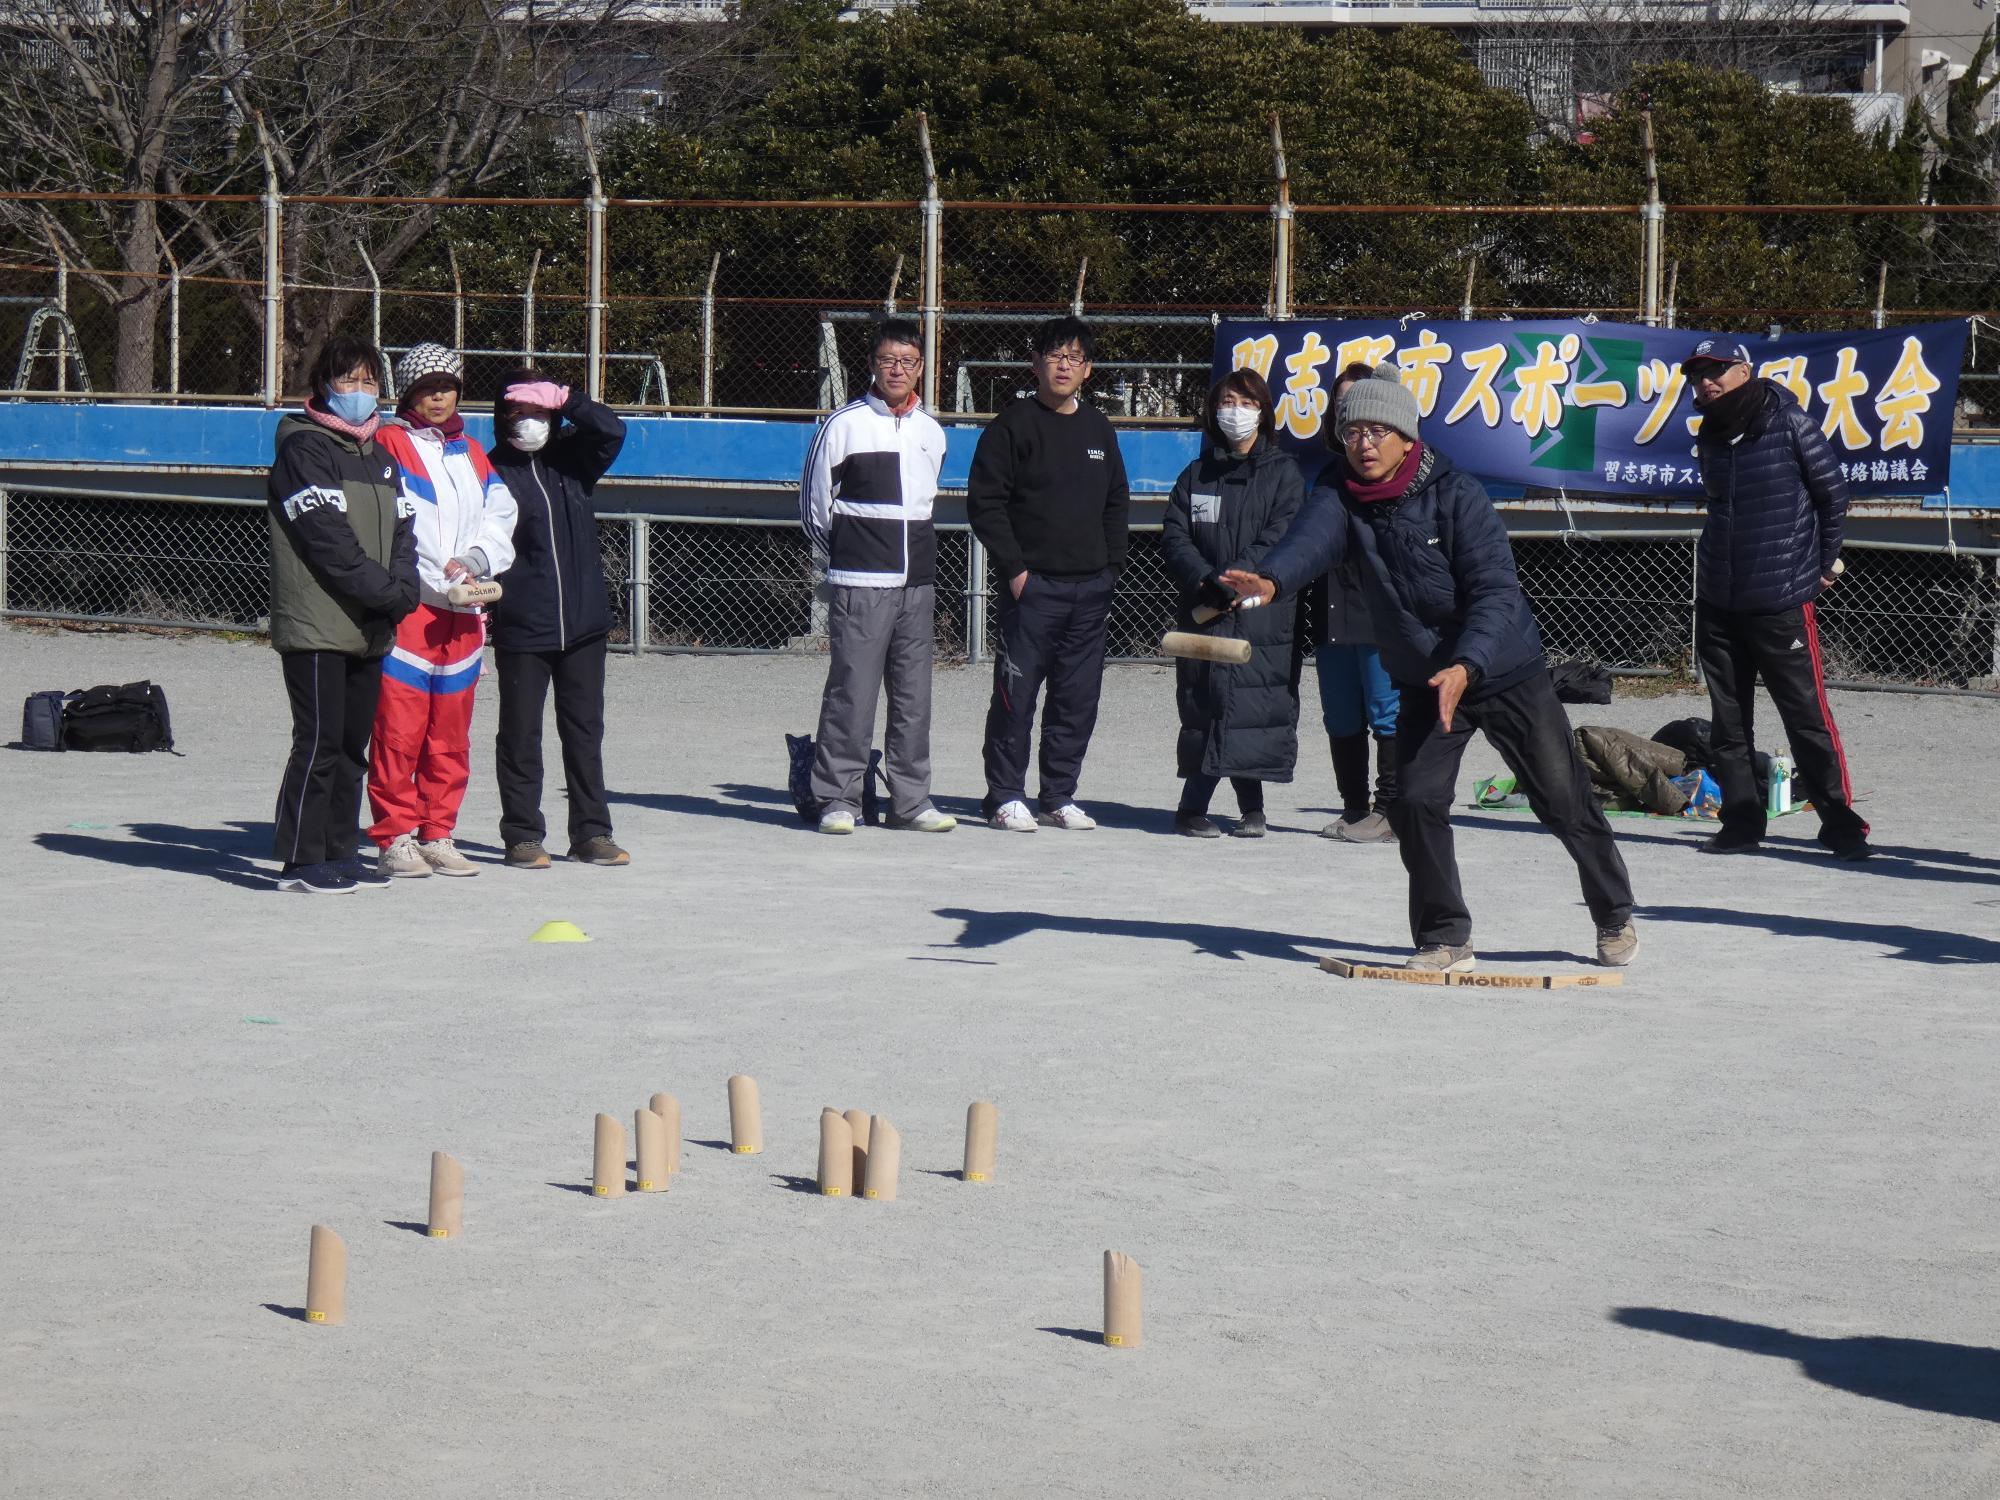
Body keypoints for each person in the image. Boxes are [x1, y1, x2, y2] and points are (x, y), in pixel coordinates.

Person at [1222, 364, 1638, 972]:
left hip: (1502, 668)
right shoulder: (1339, 492)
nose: (1363, 444)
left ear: (1405, 436)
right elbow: (1308, 541)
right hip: (1422, 674)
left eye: (1376, 431)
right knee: (1415, 803)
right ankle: (1445, 935)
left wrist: (1467, 663)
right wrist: (1272, 577)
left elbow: (1496, 591)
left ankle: (1614, 913)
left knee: (1563, 800)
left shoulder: (1456, 494)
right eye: (1352, 431)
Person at [1683, 338, 1871, 860]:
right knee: (1728, 720)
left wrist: (1823, 566)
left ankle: (1841, 825)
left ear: (1745, 370)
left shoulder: (1790, 422)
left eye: (1717, 370)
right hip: (1719, 598)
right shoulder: (1710, 433)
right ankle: (1742, 822)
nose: (1706, 381)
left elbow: (1832, 496)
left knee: (1806, 716)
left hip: (1782, 598)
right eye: (1698, 374)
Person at [266, 335, 419, 894]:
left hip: (370, 623)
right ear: (324, 386)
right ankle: (301, 860)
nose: (360, 392)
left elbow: (404, 528)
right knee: (320, 740)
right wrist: (386, 591)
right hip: (318, 622)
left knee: (354, 745)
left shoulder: (378, 452)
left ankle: (338, 848)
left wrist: (404, 586)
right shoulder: (303, 449)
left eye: (369, 381)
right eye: (348, 380)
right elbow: (326, 540)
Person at [967, 315, 1131, 832]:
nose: (1064, 366)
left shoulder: (1099, 428)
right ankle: (1005, 796)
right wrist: (1015, 570)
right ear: (1035, 363)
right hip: (1032, 589)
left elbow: (1115, 501)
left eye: (1075, 358)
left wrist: (1111, 568)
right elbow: (986, 503)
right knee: (1016, 696)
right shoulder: (1012, 425)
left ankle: (1058, 795)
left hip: (1090, 589)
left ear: (1089, 369)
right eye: (1055, 356)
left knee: (1076, 698)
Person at [799, 318, 955, 835]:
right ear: (871, 364)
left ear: (921, 368)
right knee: (853, 692)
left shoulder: (931, 431)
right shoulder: (842, 424)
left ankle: (910, 800)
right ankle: (837, 798)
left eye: (908, 361)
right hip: (861, 584)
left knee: (914, 698)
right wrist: (847, 557)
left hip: (919, 585)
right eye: (888, 360)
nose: (897, 369)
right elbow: (815, 508)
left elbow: (925, 503)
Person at [367, 343, 517, 878]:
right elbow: (388, 523)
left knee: (450, 735)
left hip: (466, 614)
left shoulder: (472, 452)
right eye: (427, 388)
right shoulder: (388, 442)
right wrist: (430, 579)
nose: (438, 397)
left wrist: (477, 560)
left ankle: (438, 832)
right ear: (409, 393)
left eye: (447, 387)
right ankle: (395, 836)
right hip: (412, 611)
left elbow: (502, 514)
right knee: (398, 733)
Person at [486, 368, 631, 869]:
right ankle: (522, 834)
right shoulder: (490, 471)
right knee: (521, 733)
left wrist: (570, 399)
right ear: (503, 418)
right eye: (520, 412)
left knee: (585, 732)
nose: (530, 422)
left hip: (585, 625)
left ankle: (592, 832)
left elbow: (612, 430)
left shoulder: (572, 459)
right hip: (525, 626)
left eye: (539, 411)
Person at [1159, 369, 1304, 838]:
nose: (1234, 412)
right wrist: (1205, 579)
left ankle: (1251, 807)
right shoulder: (1196, 473)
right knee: (1205, 703)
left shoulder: (1284, 474)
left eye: (1245, 403)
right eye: (1227, 402)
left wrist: (1235, 582)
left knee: (1249, 705)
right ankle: (1192, 808)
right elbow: (1175, 532)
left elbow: (1280, 536)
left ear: (1263, 412)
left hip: (1257, 612)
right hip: (1204, 607)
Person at [1310, 362, 1401, 844]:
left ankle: (1388, 813)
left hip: (1379, 613)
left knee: (1387, 713)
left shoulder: (1402, 479)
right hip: (1330, 608)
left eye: (1364, 407)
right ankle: (1353, 808)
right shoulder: (1327, 478)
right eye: (1343, 407)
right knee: (1340, 715)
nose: (1353, 418)